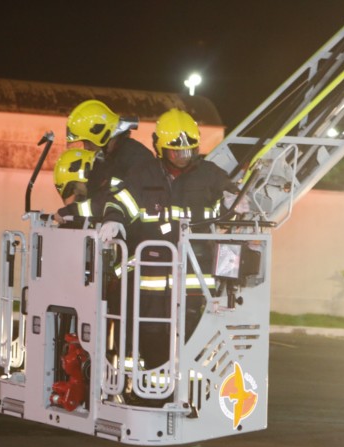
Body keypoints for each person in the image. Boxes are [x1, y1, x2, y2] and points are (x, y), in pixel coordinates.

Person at [100, 108, 243, 370]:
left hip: (194, 280)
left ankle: (189, 388)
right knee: (151, 336)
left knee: (194, 339)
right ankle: (152, 384)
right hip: (151, 282)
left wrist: (235, 201)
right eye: (176, 152)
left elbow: (230, 202)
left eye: (188, 151)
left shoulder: (210, 174)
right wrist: (113, 219)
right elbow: (120, 201)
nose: (183, 157)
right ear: (160, 148)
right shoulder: (143, 175)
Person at [65, 99, 154, 200]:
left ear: (102, 135)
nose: (86, 147)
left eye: (88, 142)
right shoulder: (102, 160)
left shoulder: (139, 159)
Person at [51, 148, 98, 224]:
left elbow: (99, 206)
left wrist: (68, 211)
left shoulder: (107, 190)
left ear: (85, 174)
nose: (75, 192)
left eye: (73, 187)